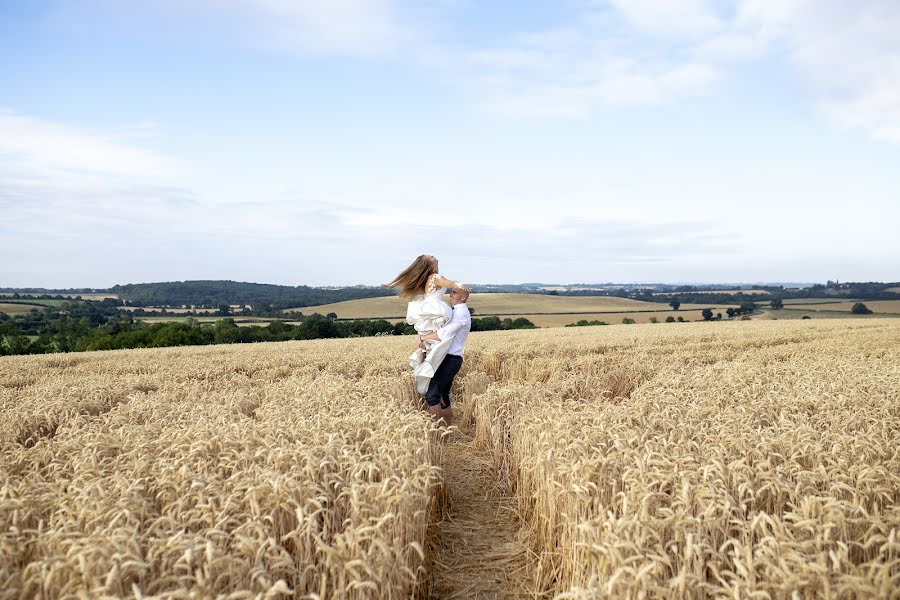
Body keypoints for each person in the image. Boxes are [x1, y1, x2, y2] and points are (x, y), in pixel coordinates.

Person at [384, 255, 470, 394]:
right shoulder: (435, 277)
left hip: (429, 310)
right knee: (437, 342)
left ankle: (430, 376)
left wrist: (393, 284)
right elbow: (448, 283)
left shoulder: (426, 279)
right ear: (431, 265)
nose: (434, 256)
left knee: (431, 342)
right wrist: (458, 285)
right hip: (435, 310)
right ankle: (432, 383)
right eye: (431, 257)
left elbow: (408, 280)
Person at [417, 287, 471, 427]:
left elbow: (444, 334)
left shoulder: (461, 314)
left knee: (432, 395)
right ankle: (446, 434)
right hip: (448, 358)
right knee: (443, 395)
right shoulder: (455, 312)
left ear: (463, 297)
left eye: (454, 293)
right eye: (451, 292)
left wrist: (423, 337)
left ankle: (435, 434)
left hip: (450, 360)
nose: (450, 295)